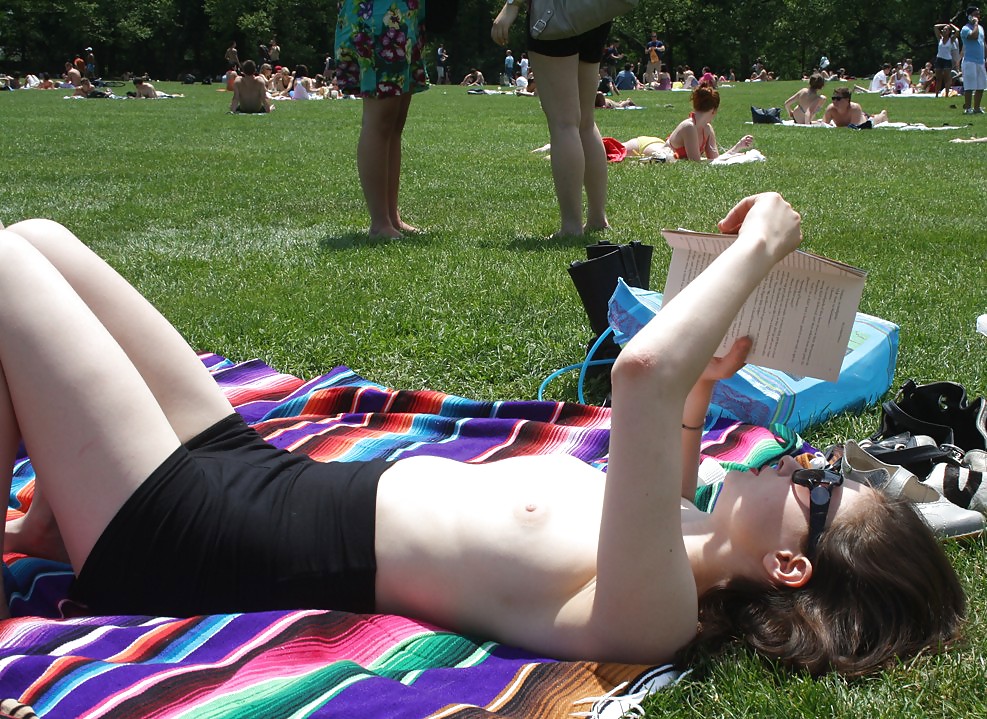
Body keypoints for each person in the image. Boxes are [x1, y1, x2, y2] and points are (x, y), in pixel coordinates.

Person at [0, 194, 966, 677]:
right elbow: (668, 416)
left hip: (188, 536)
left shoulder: (657, 610)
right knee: (42, 238)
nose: (805, 458)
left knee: (5, 266)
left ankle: (80, 512)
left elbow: (638, 378)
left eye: (823, 485)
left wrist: (761, 249)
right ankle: (55, 514)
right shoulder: (678, 525)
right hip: (245, 472)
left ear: (794, 567)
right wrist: (703, 381)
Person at [492, 2, 610, 237]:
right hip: (595, 13)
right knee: (585, 121)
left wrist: (512, 5)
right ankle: (597, 218)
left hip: (553, 12)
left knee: (564, 123)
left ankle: (571, 226)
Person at [336, 0, 428, 238]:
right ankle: (379, 223)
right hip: (379, 11)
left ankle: (390, 216)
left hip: (405, 12)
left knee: (395, 121)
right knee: (381, 118)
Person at [666, 84, 754, 161]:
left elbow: (715, 159)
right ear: (714, 110)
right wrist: (731, 158)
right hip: (656, 147)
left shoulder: (707, 129)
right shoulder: (689, 127)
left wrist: (738, 146)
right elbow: (695, 162)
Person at [823, 86, 889, 127]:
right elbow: (824, 125)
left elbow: (854, 127)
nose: (835, 101)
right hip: (859, 116)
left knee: (878, 119)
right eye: (833, 98)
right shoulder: (831, 108)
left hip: (865, 119)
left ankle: (882, 114)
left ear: (847, 99)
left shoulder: (854, 108)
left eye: (838, 99)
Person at [960, 6, 985, 113]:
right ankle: (968, 108)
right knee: (969, 86)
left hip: (980, 60)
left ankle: (977, 107)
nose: (977, 16)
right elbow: (974, 36)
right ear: (969, 16)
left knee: (981, 85)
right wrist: (975, 23)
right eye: (975, 14)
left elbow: (982, 42)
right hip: (969, 60)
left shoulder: (980, 28)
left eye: (978, 14)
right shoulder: (965, 29)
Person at [934, 23, 960, 97]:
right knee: (938, 79)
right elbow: (935, 27)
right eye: (943, 30)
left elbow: (957, 31)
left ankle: (946, 95)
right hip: (939, 59)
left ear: (949, 32)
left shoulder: (951, 40)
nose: (944, 31)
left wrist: (951, 25)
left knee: (947, 79)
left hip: (947, 60)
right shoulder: (940, 39)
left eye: (946, 30)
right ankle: (936, 95)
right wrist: (945, 24)